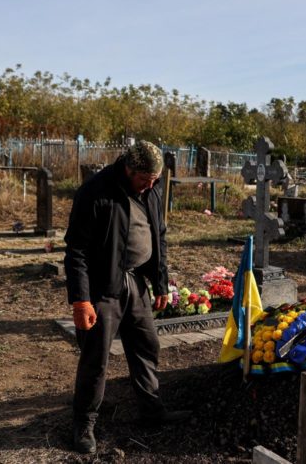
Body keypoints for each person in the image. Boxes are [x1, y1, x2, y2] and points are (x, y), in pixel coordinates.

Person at [64, 141, 190, 454]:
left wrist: (160, 282)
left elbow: (159, 236)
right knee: (96, 357)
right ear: (128, 170)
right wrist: (81, 300)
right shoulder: (96, 191)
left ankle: (151, 410)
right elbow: (76, 249)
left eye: (155, 180)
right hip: (102, 287)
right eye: (145, 180)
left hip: (136, 281)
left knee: (147, 345)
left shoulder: (152, 190)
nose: (150, 185)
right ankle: (84, 423)